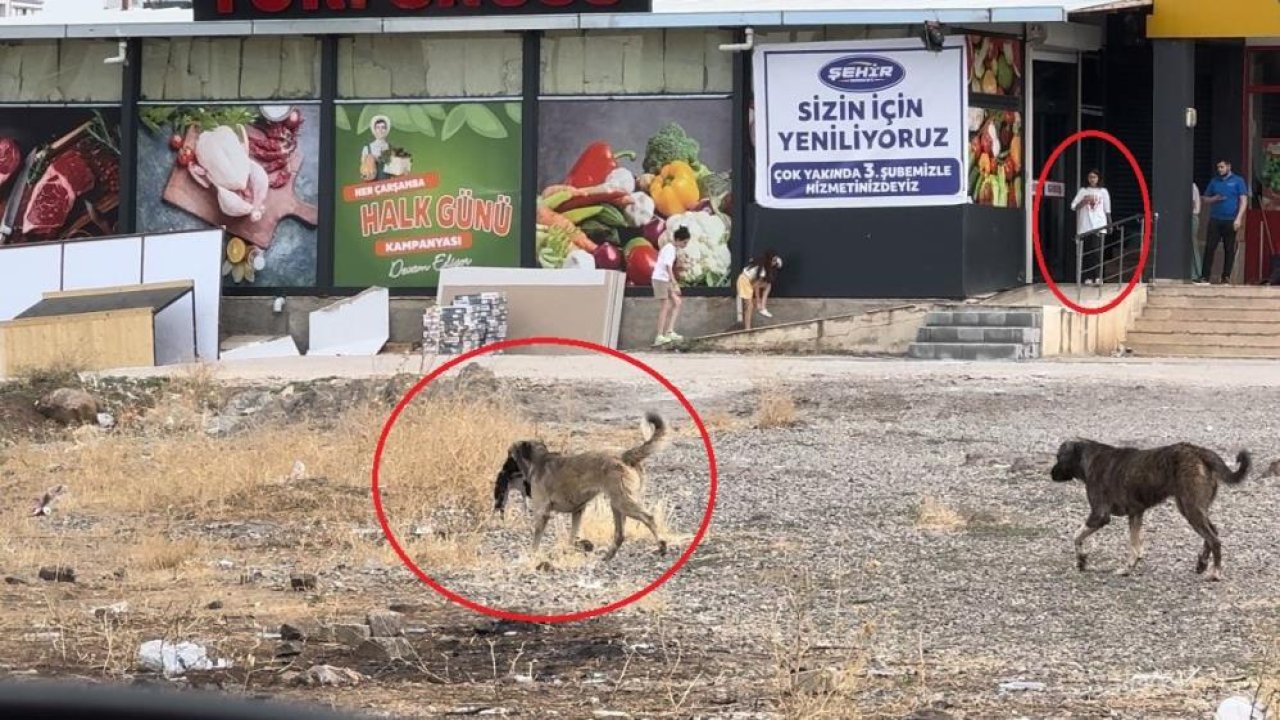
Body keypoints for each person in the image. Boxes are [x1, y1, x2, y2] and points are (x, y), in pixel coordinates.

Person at [1199, 159, 1250, 285]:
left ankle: (1225, 276)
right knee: (1210, 247)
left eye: (1222, 167)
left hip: (1230, 219)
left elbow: (1243, 200)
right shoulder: (1214, 181)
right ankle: (1205, 276)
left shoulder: (1238, 181)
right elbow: (1205, 199)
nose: (1219, 170)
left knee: (1229, 248)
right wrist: (1214, 199)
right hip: (1215, 219)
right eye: (1218, 167)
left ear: (1228, 166)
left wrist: (1239, 218)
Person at [1069, 169, 1111, 285]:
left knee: (1097, 252)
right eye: (1090, 177)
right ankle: (1087, 277)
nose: (1092, 179)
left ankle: (1098, 277)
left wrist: (1109, 225)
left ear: (1098, 178)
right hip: (1085, 226)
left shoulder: (1103, 192)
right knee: (1087, 253)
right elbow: (1073, 206)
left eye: (1094, 177)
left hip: (1099, 225)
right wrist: (1083, 202)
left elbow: (1107, 209)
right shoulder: (1083, 191)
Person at [652, 226, 690, 346]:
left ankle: (669, 331)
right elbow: (668, 267)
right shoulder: (669, 249)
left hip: (665, 279)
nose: (685, 244)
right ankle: (659, 336)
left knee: (677, 302)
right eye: (684, 242)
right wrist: (674, 284)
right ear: (678, 239)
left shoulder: (672, 249)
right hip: (660, 279)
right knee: (665, 306)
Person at [736, 251, 784, 330]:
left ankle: (762, 308)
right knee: (749, 307)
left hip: (749, 281)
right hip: (743, 282)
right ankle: (747, 329)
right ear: (769, 261)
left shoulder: (761, 261)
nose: (774, 263)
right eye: (773, 261)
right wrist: (758, 301)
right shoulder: (762, 270)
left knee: (768, 285)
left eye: (775, 261)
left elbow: (757, 283)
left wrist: (777, 262)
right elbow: (757, 287)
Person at [1191, 181, 1202, 281]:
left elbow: (1193, 203)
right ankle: (1192, 273)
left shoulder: (1191, 186)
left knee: (1192, 244)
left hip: (1192, 216)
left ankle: (1197, 273)